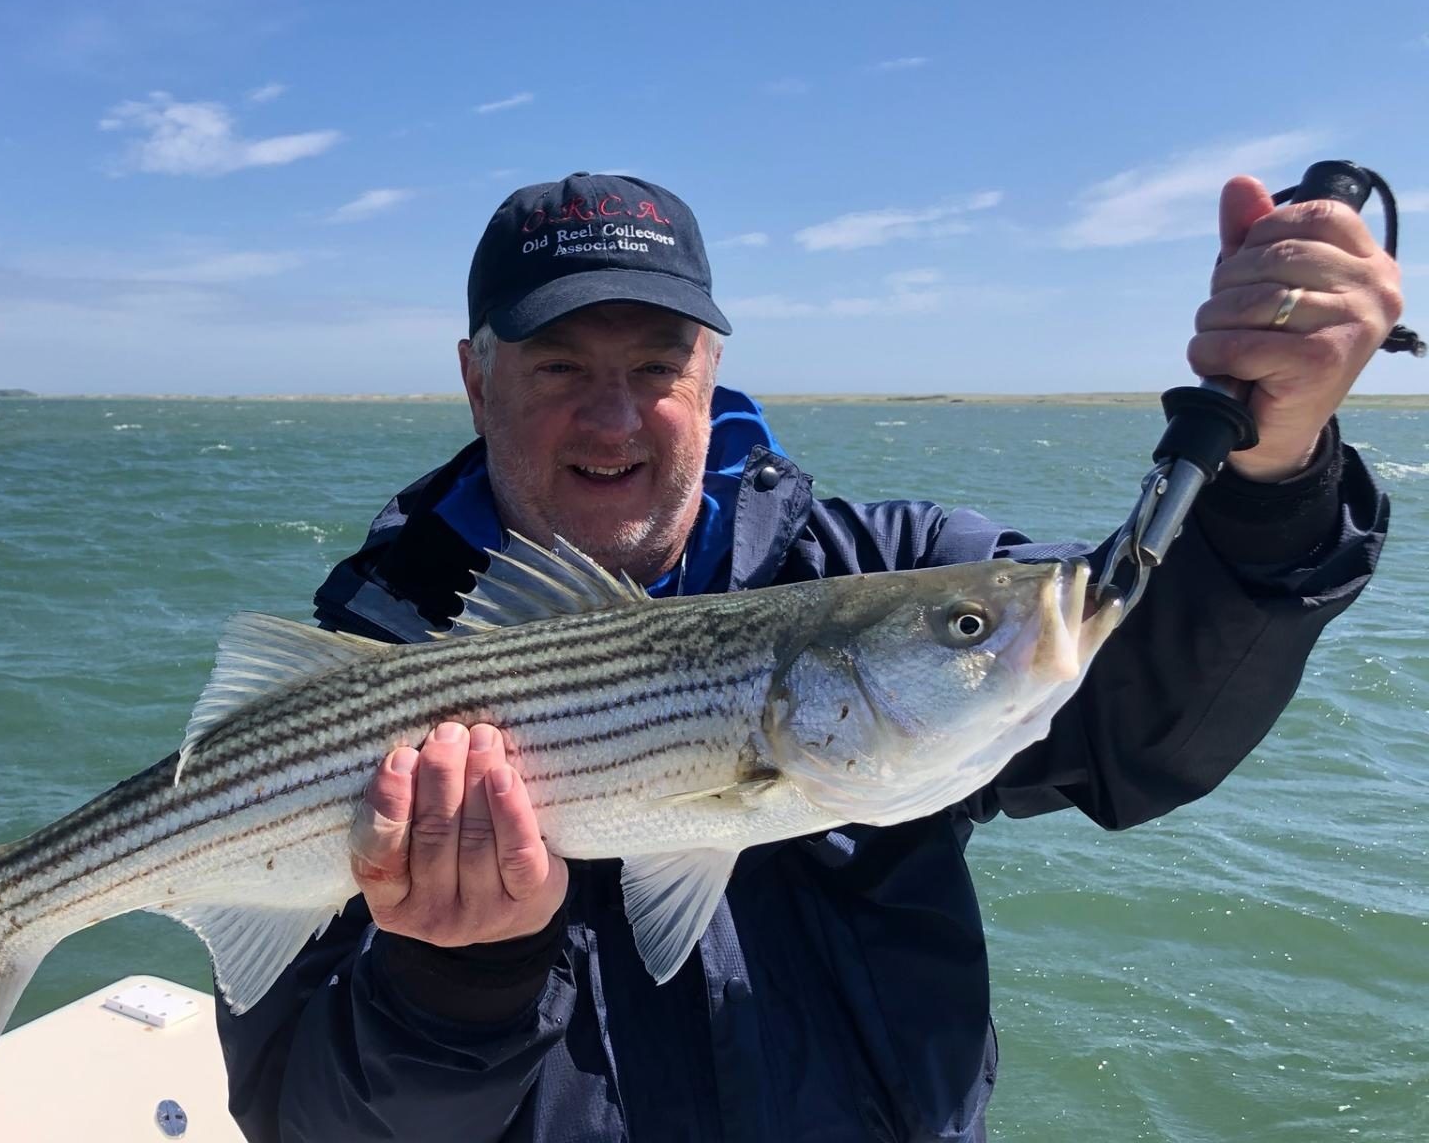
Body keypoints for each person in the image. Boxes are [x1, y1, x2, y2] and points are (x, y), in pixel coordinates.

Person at [214, 172, 1397, 1141]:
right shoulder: (373, 660)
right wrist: (450, 988)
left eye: (658, 363)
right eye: (562, 367)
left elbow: (1137, 725)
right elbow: (298, 1117)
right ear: (477, 381)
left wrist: (1275, 473)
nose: (617, 417)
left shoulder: (886, 567)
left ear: (713, 369)